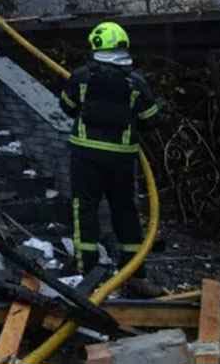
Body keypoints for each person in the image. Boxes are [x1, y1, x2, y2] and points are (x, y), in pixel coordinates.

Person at [59, 21, 164, 297]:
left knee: (85, 210)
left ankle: (86, 272)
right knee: (126, 212)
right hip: (121, 158)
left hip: (85, 155)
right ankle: (135, 275)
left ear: (96, 45)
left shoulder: (81, 76)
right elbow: (151, 119)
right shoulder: (136, 81)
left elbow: (67, 106)